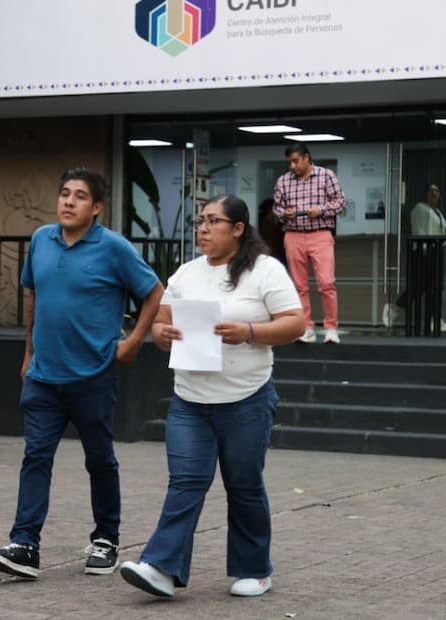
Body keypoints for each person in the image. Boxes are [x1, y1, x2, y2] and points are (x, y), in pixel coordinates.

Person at [0, 167, 164, 579]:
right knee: (35, 456)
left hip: (93, 375)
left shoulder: (113, 248)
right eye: (64, 193)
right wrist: (28, 352)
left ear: (96, 207)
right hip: (44, 375)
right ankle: (25, 545)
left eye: (80, 196)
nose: (68, 201)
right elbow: (33, 295)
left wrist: (134, 342)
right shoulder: (41, 240)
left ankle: (105, 540)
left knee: (99, 459)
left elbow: (154, 290)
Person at [120, 195, 303, 599]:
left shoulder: (264, 271)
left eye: (213, 221)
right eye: (200, 221)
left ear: (238, 229)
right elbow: (163, 321)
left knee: (243, 484)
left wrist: (249, 333)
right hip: (190, 400)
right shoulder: (187, 272)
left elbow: (295, 323)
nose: (202, 228)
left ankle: (255, 569)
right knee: (185, 482)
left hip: (246, 399)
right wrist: (160, 335)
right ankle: (161, 568)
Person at [272, 142, 346, 343]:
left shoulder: (326, 175)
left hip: (320, 234)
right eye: (289, 163)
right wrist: (284, 214)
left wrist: (321, 210)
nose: (292, 166)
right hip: (293, 235)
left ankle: (331, 328)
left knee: (326, 283)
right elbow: (276, 209)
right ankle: (306, 328)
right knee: (299, 285)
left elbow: (341, 202)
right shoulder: (283, 181)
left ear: (307, 157)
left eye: (296, 161)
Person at [383, 184, 446, 332]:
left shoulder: (437, 212)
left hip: (437, 250)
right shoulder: (420, 209)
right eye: (431, 191)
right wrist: (425, 249)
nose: (434, 194)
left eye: (437, 191)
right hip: (425, 251)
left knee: (436, 288)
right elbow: (420, 230)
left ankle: (436, 319)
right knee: (419, 286)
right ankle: (394, 308)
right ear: (425, 194)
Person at [256, 198, 285, 266]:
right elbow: (273, 242)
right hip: (272, 254)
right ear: (270, 210)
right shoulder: (267, 224)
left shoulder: (267, 222)